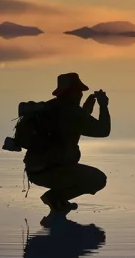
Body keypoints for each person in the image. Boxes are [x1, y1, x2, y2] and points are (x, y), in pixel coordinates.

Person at [24, 72, 111, 215]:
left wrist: (85, 111)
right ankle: (55, 198)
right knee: (98, 179)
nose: (80, 95)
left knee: (77, 173)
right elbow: (103, 131)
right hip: (52, 171)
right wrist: (103, 106)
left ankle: (58, 200)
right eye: (79, 92)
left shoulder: (50, 107)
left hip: (35, 171)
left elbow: (70, 125)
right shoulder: (72, 113)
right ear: (73, 93)